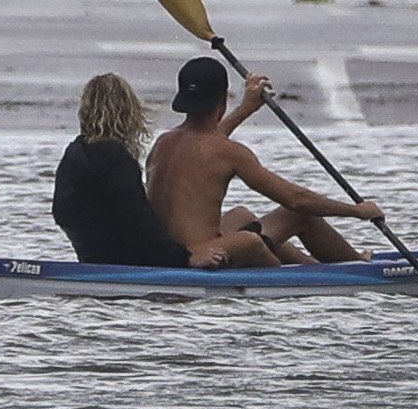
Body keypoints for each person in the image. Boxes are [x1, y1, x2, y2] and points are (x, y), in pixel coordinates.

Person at [146, 57, 381, 269]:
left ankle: (317, 266)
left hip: (169, 251)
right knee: (298, 216)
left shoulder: (163, 142)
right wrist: (356, 211)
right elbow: (296, 200)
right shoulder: (229, 152)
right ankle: (352, 267)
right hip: (204, 255)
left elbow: (207, 145)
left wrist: (245, 109)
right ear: (223, 99)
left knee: (241, 216)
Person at [51, 73, 200, 268]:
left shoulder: (73, 154)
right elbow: (140, 225)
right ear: (128, 113)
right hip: (134, 262)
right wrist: (186, 258)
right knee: (248, 239)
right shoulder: (116, 160)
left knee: (239, 218)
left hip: (92, 259)